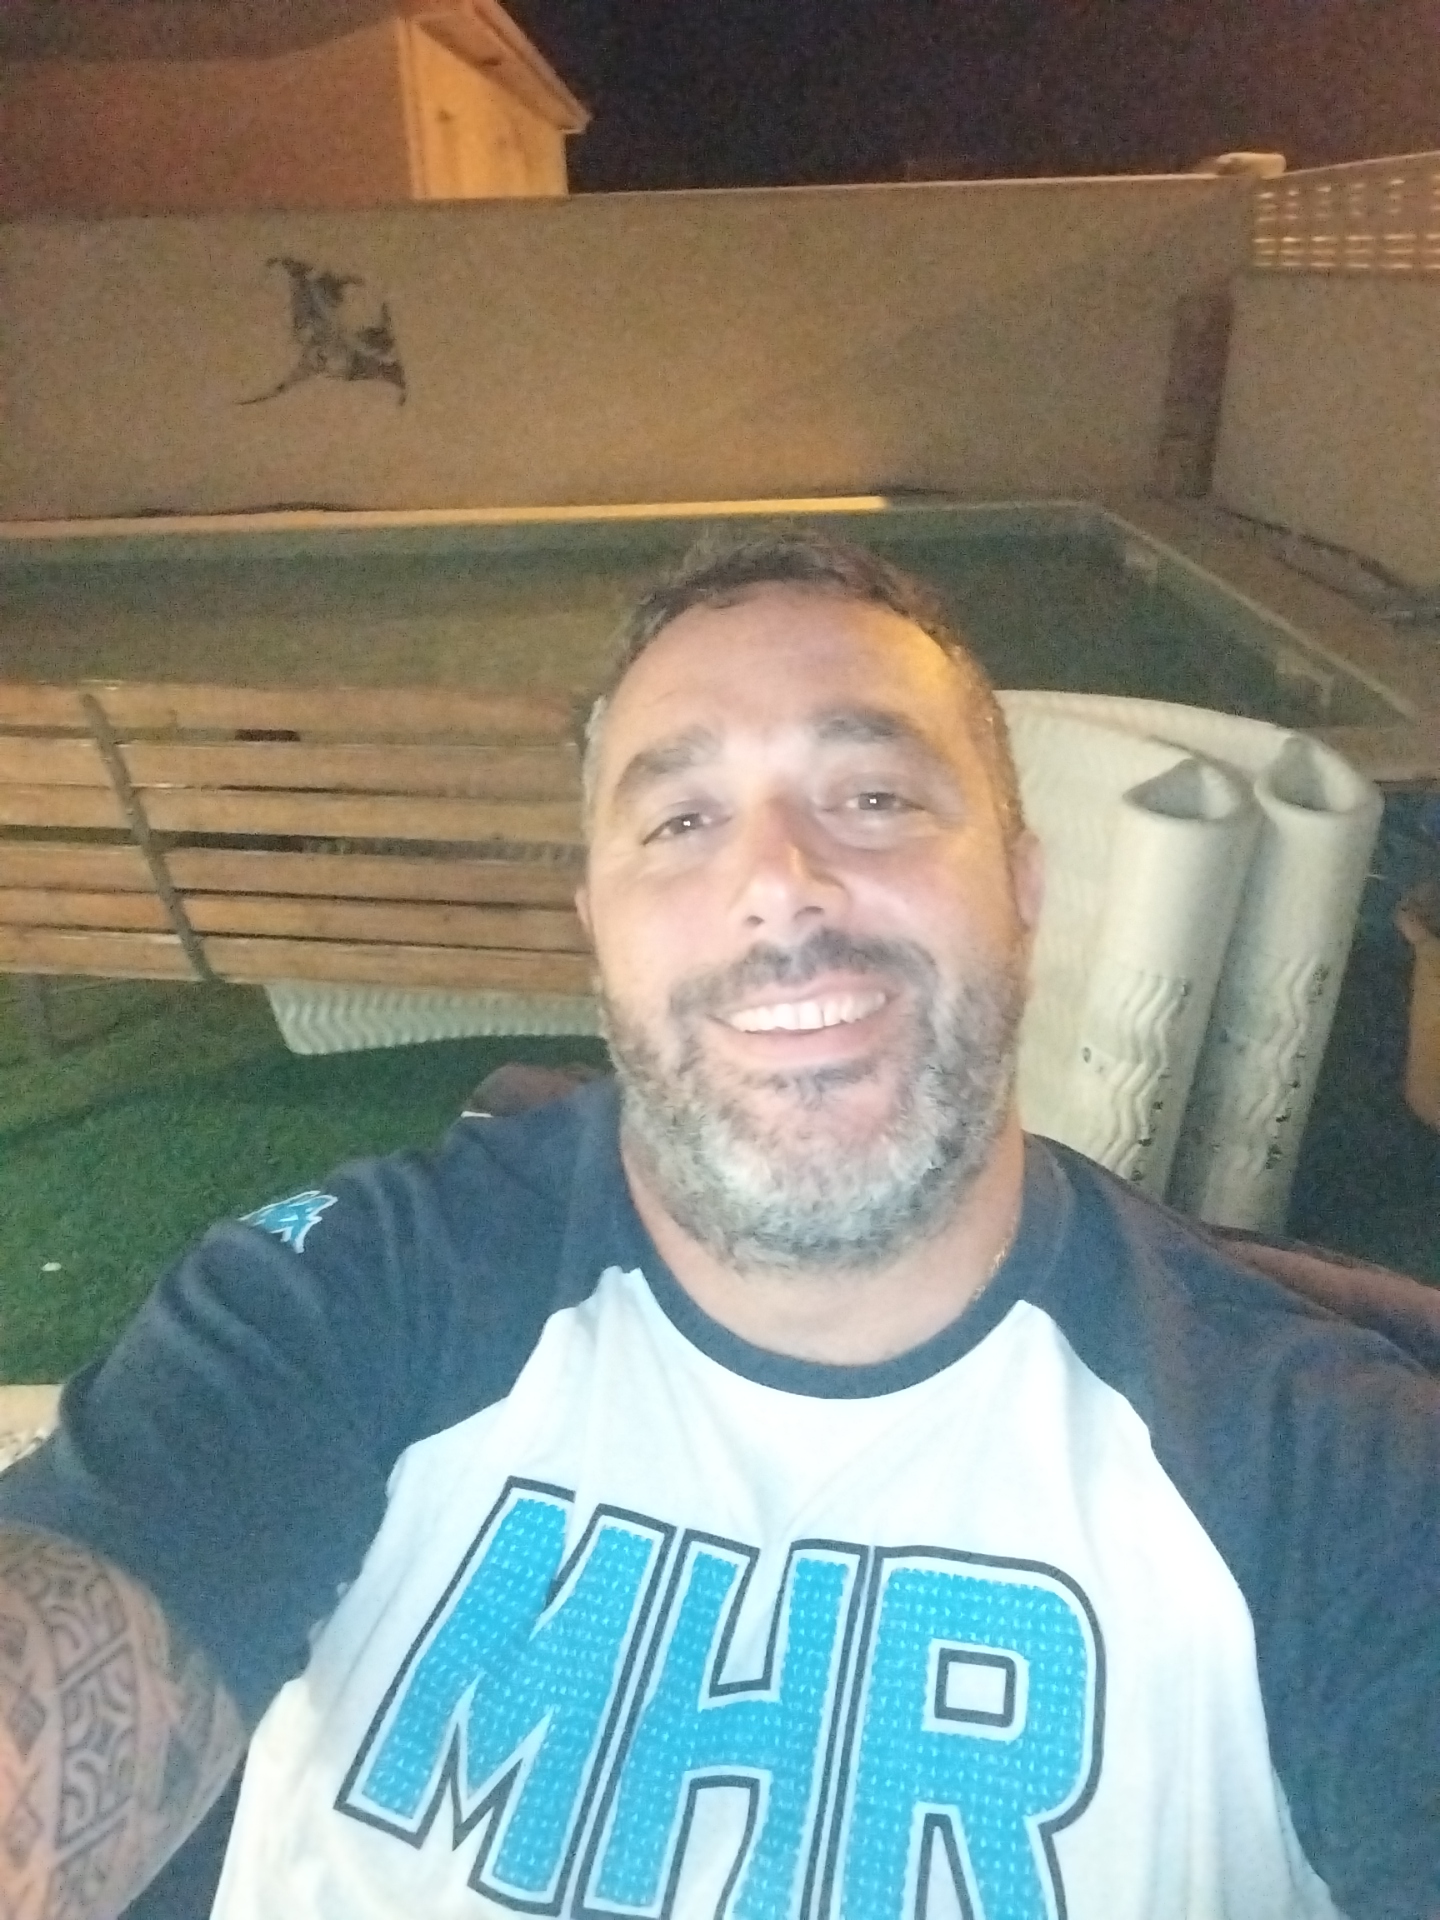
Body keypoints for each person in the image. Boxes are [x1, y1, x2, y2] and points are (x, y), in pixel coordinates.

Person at [0, 532, 1435, 1920]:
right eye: (682, 821)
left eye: (872, 796)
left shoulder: (1325, 1474)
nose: (778, 882)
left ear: (1022, 887)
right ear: (598, 929)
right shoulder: (357, 1296)